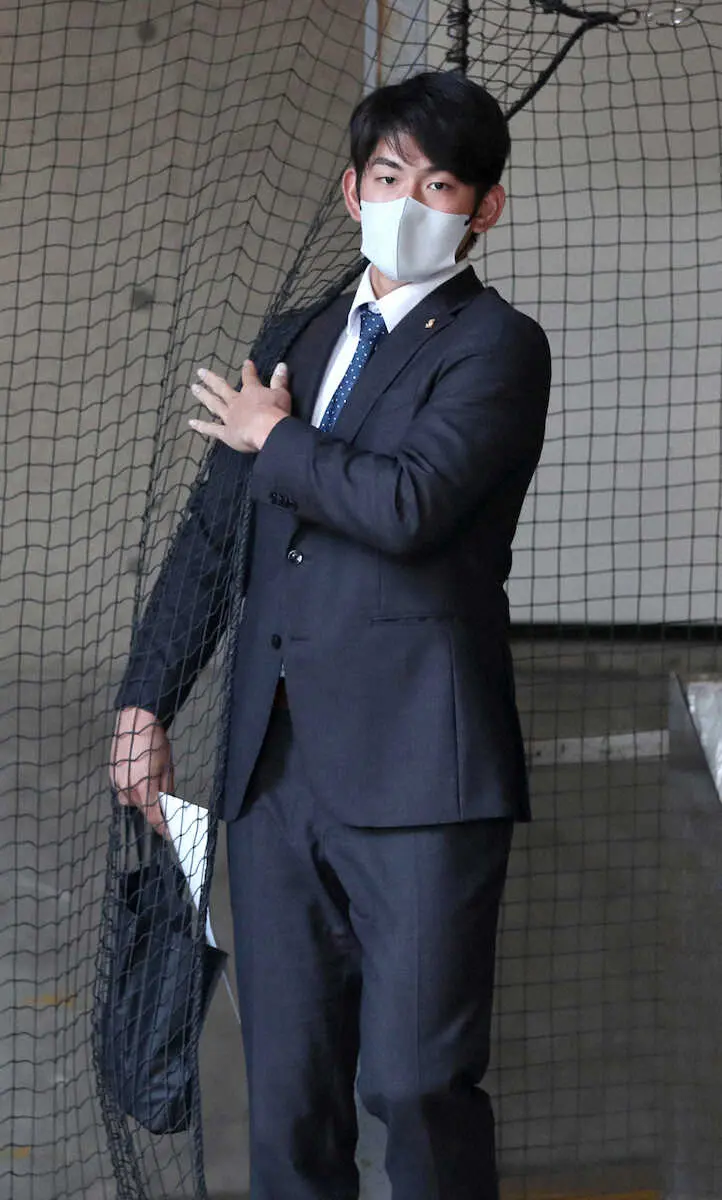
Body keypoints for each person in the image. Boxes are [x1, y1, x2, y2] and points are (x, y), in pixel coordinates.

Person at [110, 70, 551, 1200]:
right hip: (272, 775)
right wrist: (146, 699)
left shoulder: (496, 347)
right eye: (390, 177)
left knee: (417, 1085)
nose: (409, 202)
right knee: (289, 1097)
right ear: (353, 190)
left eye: (439, 185)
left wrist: (276, 439)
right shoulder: (295, 339)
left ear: (483, 209)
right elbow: (212, 541)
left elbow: (410, 504)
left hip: (422, 771)